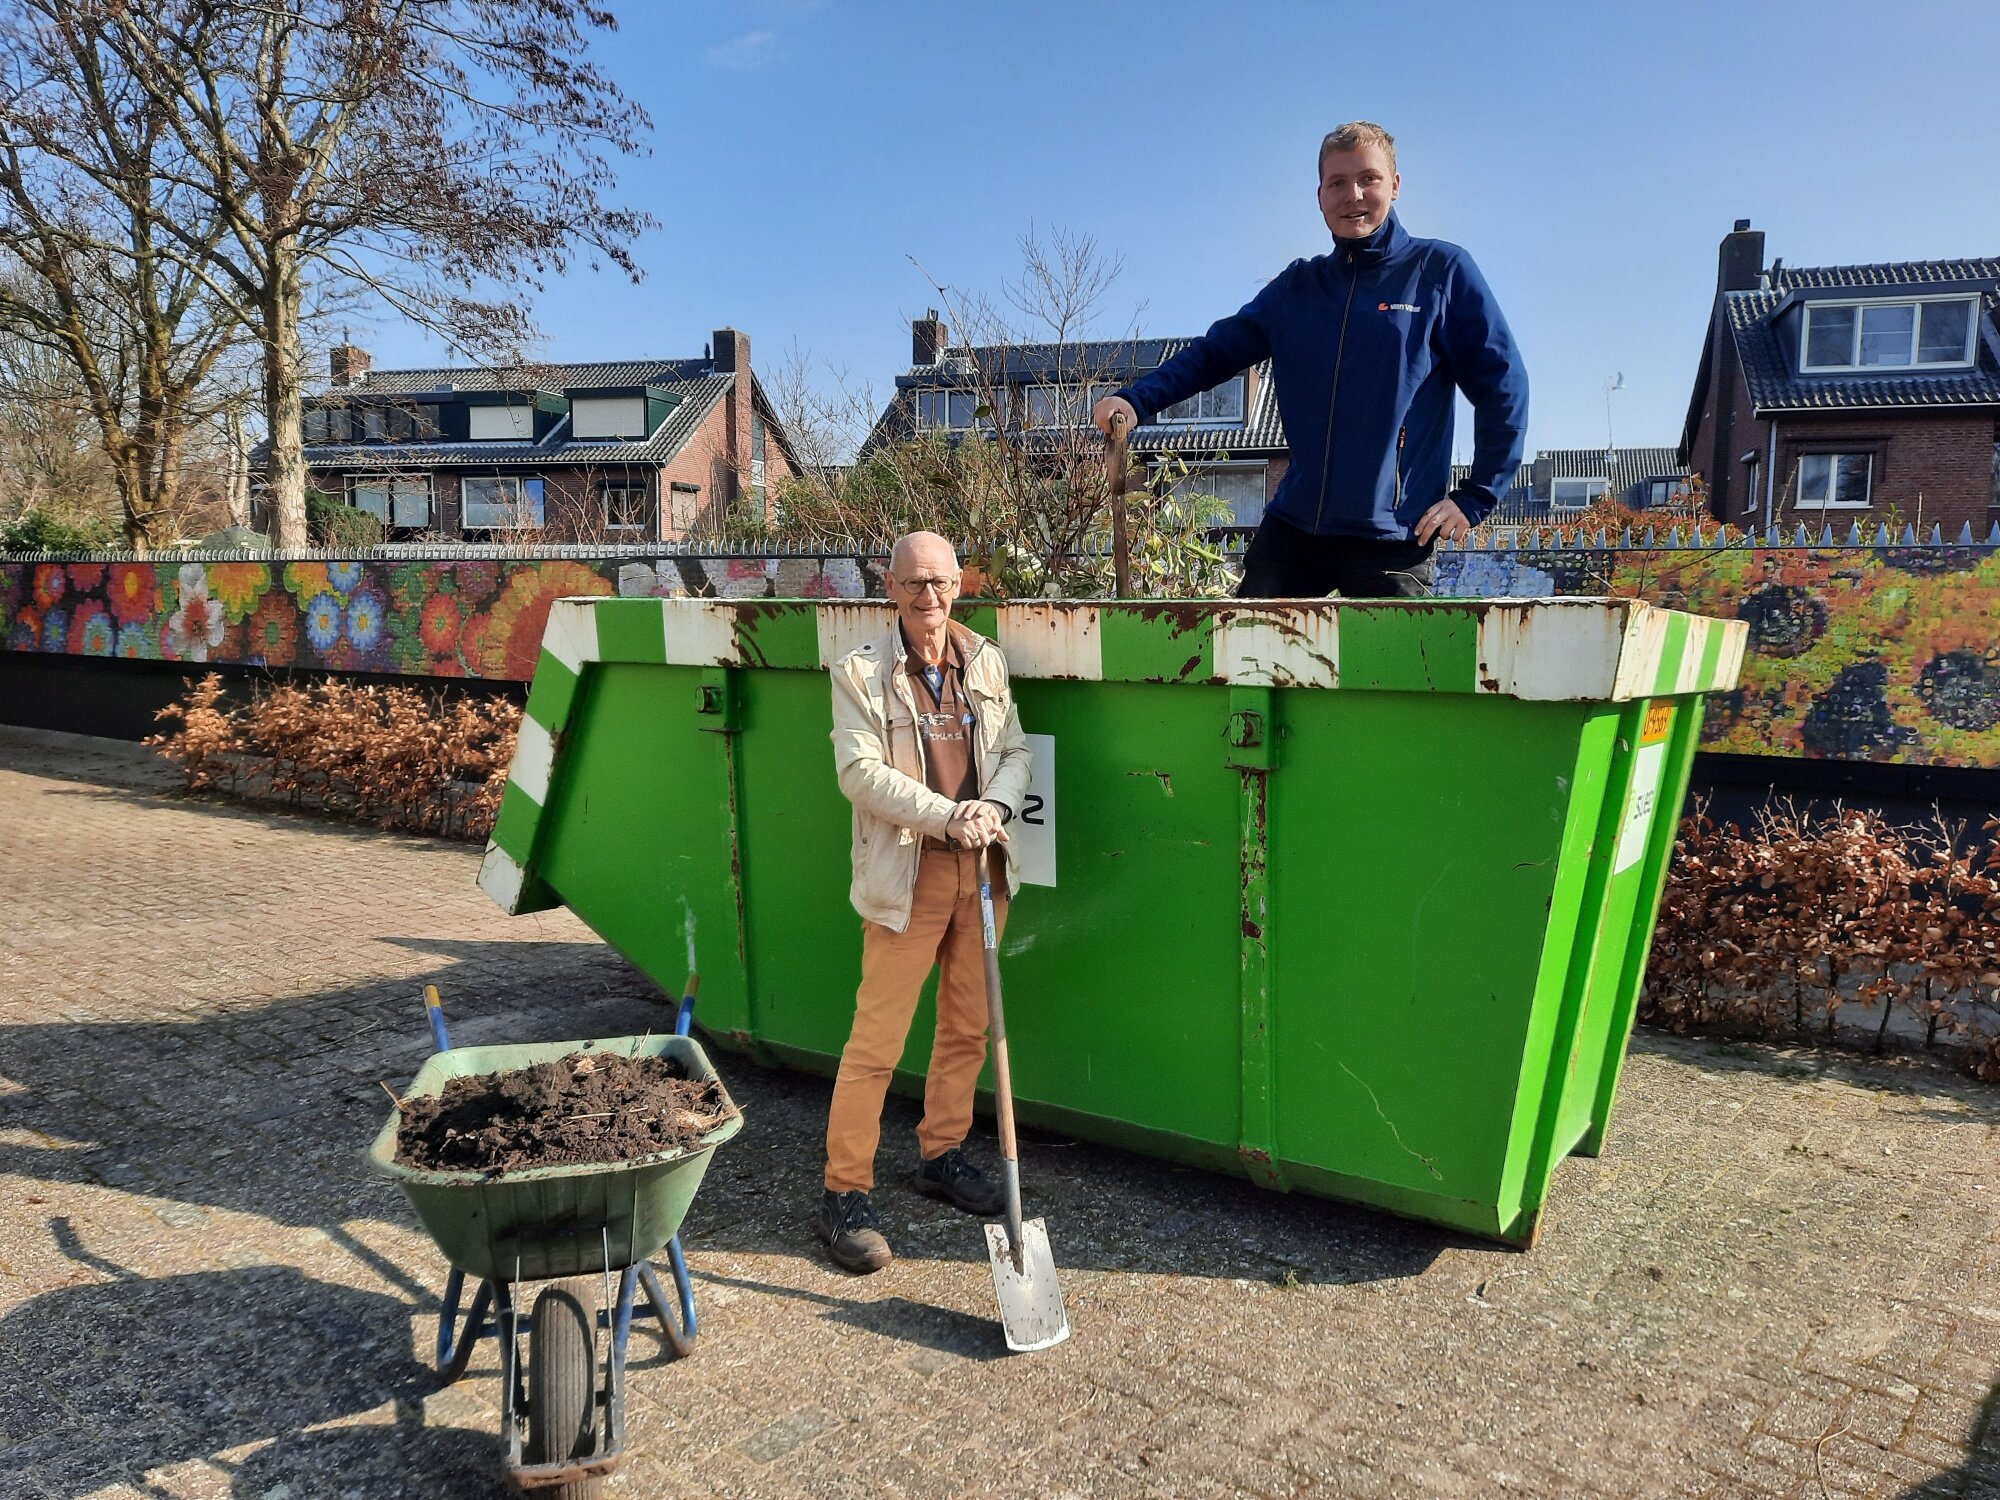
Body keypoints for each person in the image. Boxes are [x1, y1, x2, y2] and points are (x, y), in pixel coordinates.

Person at [1094, 121, 1529, 599]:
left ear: (1396, 185)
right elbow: (1214, 353)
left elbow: (1502, 384)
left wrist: (1477, 496)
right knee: (1247, 661)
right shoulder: (1298, 289)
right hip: (1297, 527)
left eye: (1369, 178)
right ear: (1320, 196)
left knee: (1387, 674)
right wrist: (1136, 400)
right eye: (1337, 183)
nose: (1353, 194)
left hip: (1393, 534)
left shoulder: (1441, 273)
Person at [816, 530, 1034, 1273]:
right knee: (877, 1043)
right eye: (913, 583)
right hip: (908, 874)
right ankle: (844, 1192)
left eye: (939, 582)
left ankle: (941, 1153)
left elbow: (1015, 753)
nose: (928, 596)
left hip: (982, 870)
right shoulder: (862, 673)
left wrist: (992, 810)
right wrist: (948, 814)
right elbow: (858, 773)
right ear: (890, 586)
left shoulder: (986, 660)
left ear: (959, 585)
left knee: (968, 1028)